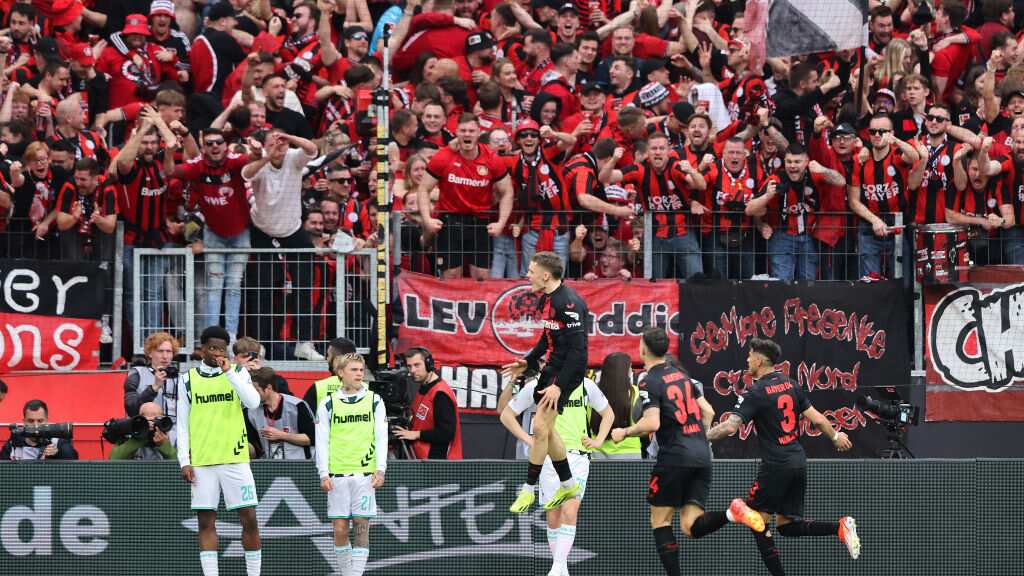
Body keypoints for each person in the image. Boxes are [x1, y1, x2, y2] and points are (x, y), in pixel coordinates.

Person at [706, 338, 861, 576]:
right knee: (788, 527)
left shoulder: (756, 392)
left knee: (756, 520)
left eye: (749, 356)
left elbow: (729, 427)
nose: (747, 360)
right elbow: (818, 419)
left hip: (776, 465)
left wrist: (701, 437)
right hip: (797, 462)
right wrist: (835, 436)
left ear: (758, 359)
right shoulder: (792, 385)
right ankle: (839, 527)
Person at [609, 328, 727, 576]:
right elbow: (709, 412)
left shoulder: (648, 380)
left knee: (660, 522)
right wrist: (697, 437)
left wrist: (624, 432)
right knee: (690, 527)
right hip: (701, 456)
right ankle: (732, 513)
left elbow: (652, 424)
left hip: (675, 456)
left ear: (643, 349)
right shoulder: (682, 376)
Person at [500, 370, 613, 576]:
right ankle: (562, 568)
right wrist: (529, 440)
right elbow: (506, 414)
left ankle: (556, 568)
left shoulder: (586, 385)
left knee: (570, 510)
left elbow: (608, 413)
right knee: (553, 516)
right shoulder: (538, 385)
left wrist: (597, 441)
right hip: (548, 459)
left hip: (578, 458)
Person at [503, 252, 589, 514]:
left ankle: (529, 489)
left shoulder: (569, 302)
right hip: (551, 369)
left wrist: (559, 386)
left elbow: (579, 352)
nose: (527, 275)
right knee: (547, 431)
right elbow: (546, 339)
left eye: (530, 271)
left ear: (545, 275)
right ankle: (568, 483)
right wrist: (527, 362)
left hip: (565, 372)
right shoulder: (547, 300)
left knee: (540, 427)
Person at [177, 325, 263, 576]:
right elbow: (183, 423)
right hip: (203, 461)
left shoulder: (237, 372)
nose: (216, 352)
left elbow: (253, 402)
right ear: (202, 348)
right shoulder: (188, 379)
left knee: (249, 519)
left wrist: (230, 373)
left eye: (221, 348)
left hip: (235, 458)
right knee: (206, 522)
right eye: (212, 347)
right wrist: (184, 460)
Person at [242, 128, 321, 360]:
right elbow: (246, 175)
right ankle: (261, 344)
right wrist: (268, 155)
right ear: (264, 145)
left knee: (305, 286)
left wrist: (291, 137)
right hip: (263, 230)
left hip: (293, 228)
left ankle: (304, 343)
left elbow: (312, 149)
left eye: (282, 142)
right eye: (274, 142)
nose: (280, 146)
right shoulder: (259, 163)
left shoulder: (294, 159)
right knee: (263, 288)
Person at [315, 353, 387, 576]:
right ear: (340, 373)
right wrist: (323, 473)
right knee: (339, 529)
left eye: (361, 369)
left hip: (365, 474)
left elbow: (382, 436)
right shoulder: (328, 403)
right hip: (337, 474)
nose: (359, 374)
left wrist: (381, 469)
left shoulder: (375, 400)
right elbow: (321, 440)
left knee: (361, 526)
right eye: (354, 370)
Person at [394, 347, 463, 459]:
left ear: (429, 364)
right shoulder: (424, 388)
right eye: (409, 366)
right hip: (422, 459)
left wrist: (416, 434)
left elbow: (446, 432)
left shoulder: (440, 394)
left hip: (437, 464)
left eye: (417, 365)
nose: (412, 370)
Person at [245, 367, 315, 460]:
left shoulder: (297, 406)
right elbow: (254, 447)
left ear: (269, 388)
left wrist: (282, 435)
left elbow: (312, 439)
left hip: (299, 466)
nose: (251, 394)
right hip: (269, 467)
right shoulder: (250, 411)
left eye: (256, 390)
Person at [123, 332, 180, 445]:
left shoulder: (182, 379)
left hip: (174, 439)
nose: (165, 356)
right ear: (150, 353)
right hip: (143, 437)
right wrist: (154, 387)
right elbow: (131, 409)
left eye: (169, 351)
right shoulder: (137, 374)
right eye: (160, 351)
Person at [590, 352, 642, 459]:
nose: (632, 371)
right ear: (624, 371)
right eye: (630, 368)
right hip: (630, 455)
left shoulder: (593, 392)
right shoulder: (636, 392)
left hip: (597, 454)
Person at [0, 400, 79, 460]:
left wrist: (57, 453)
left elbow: (74, 464)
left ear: (47, 421)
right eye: (31, 421)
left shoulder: (58, 441)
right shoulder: (14, 443)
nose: (36, 425)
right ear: (24, 422)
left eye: (40, 421)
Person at [304, 337, 359, 411]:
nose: (327, 359)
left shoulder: (318, 387)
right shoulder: (367, 388)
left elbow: (304, 418)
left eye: (329, 355)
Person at [109, 401, 177, 460]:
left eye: (155, 420)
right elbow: (113, 459)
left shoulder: (172, 437)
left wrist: (164, 445)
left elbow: (181, 466)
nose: (151, 425)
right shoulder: (129, 434)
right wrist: (138, 439)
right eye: (147, 421)